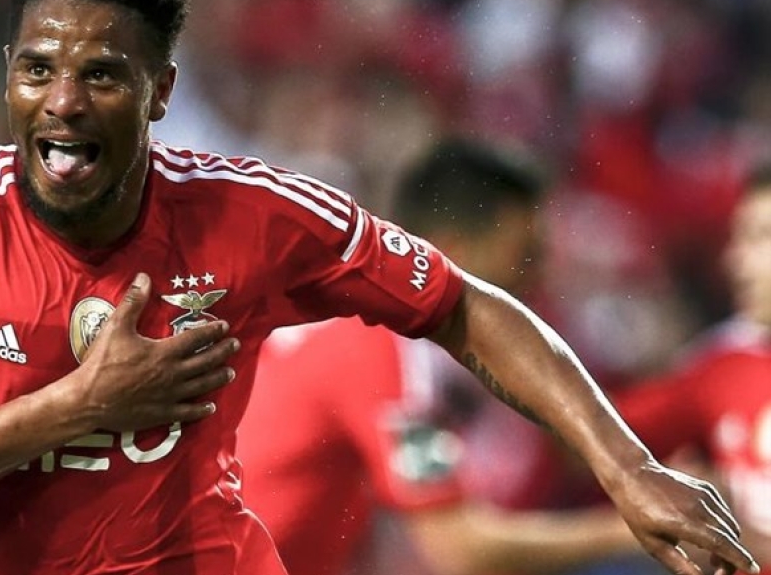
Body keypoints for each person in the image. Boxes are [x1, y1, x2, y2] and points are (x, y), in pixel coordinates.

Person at [0, 0, 759, 574]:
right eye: (37, 69)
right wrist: (82, 405)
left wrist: (628, 471)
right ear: (8, 76)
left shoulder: (256, 214)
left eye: (101, 74)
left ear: (160, 93)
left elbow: (462, 303)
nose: (62, 100)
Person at [238, 137, 644, 575]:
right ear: (451, 253)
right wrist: (627, 530)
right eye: (524, 257)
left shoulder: (363, 324)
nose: (539, 277)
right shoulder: (382, 345)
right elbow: (462, 551)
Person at [612, 162, 771, 571]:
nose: (735, 259)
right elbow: (604, 433)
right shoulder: (720, 365)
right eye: (737, 237)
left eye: (760, 236)